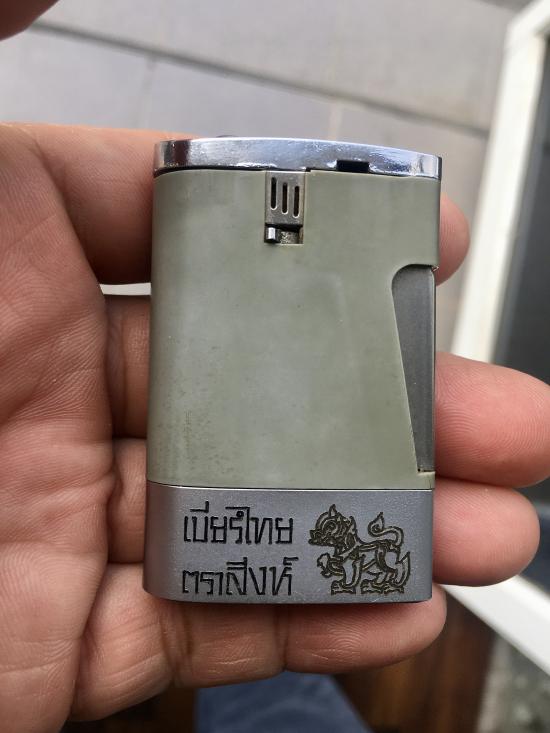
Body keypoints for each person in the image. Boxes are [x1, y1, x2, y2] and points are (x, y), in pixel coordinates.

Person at [0, 2, 548, 732]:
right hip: (256, 546)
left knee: (270, 695)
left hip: (245, 545)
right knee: (275, 697)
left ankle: (259, 697)